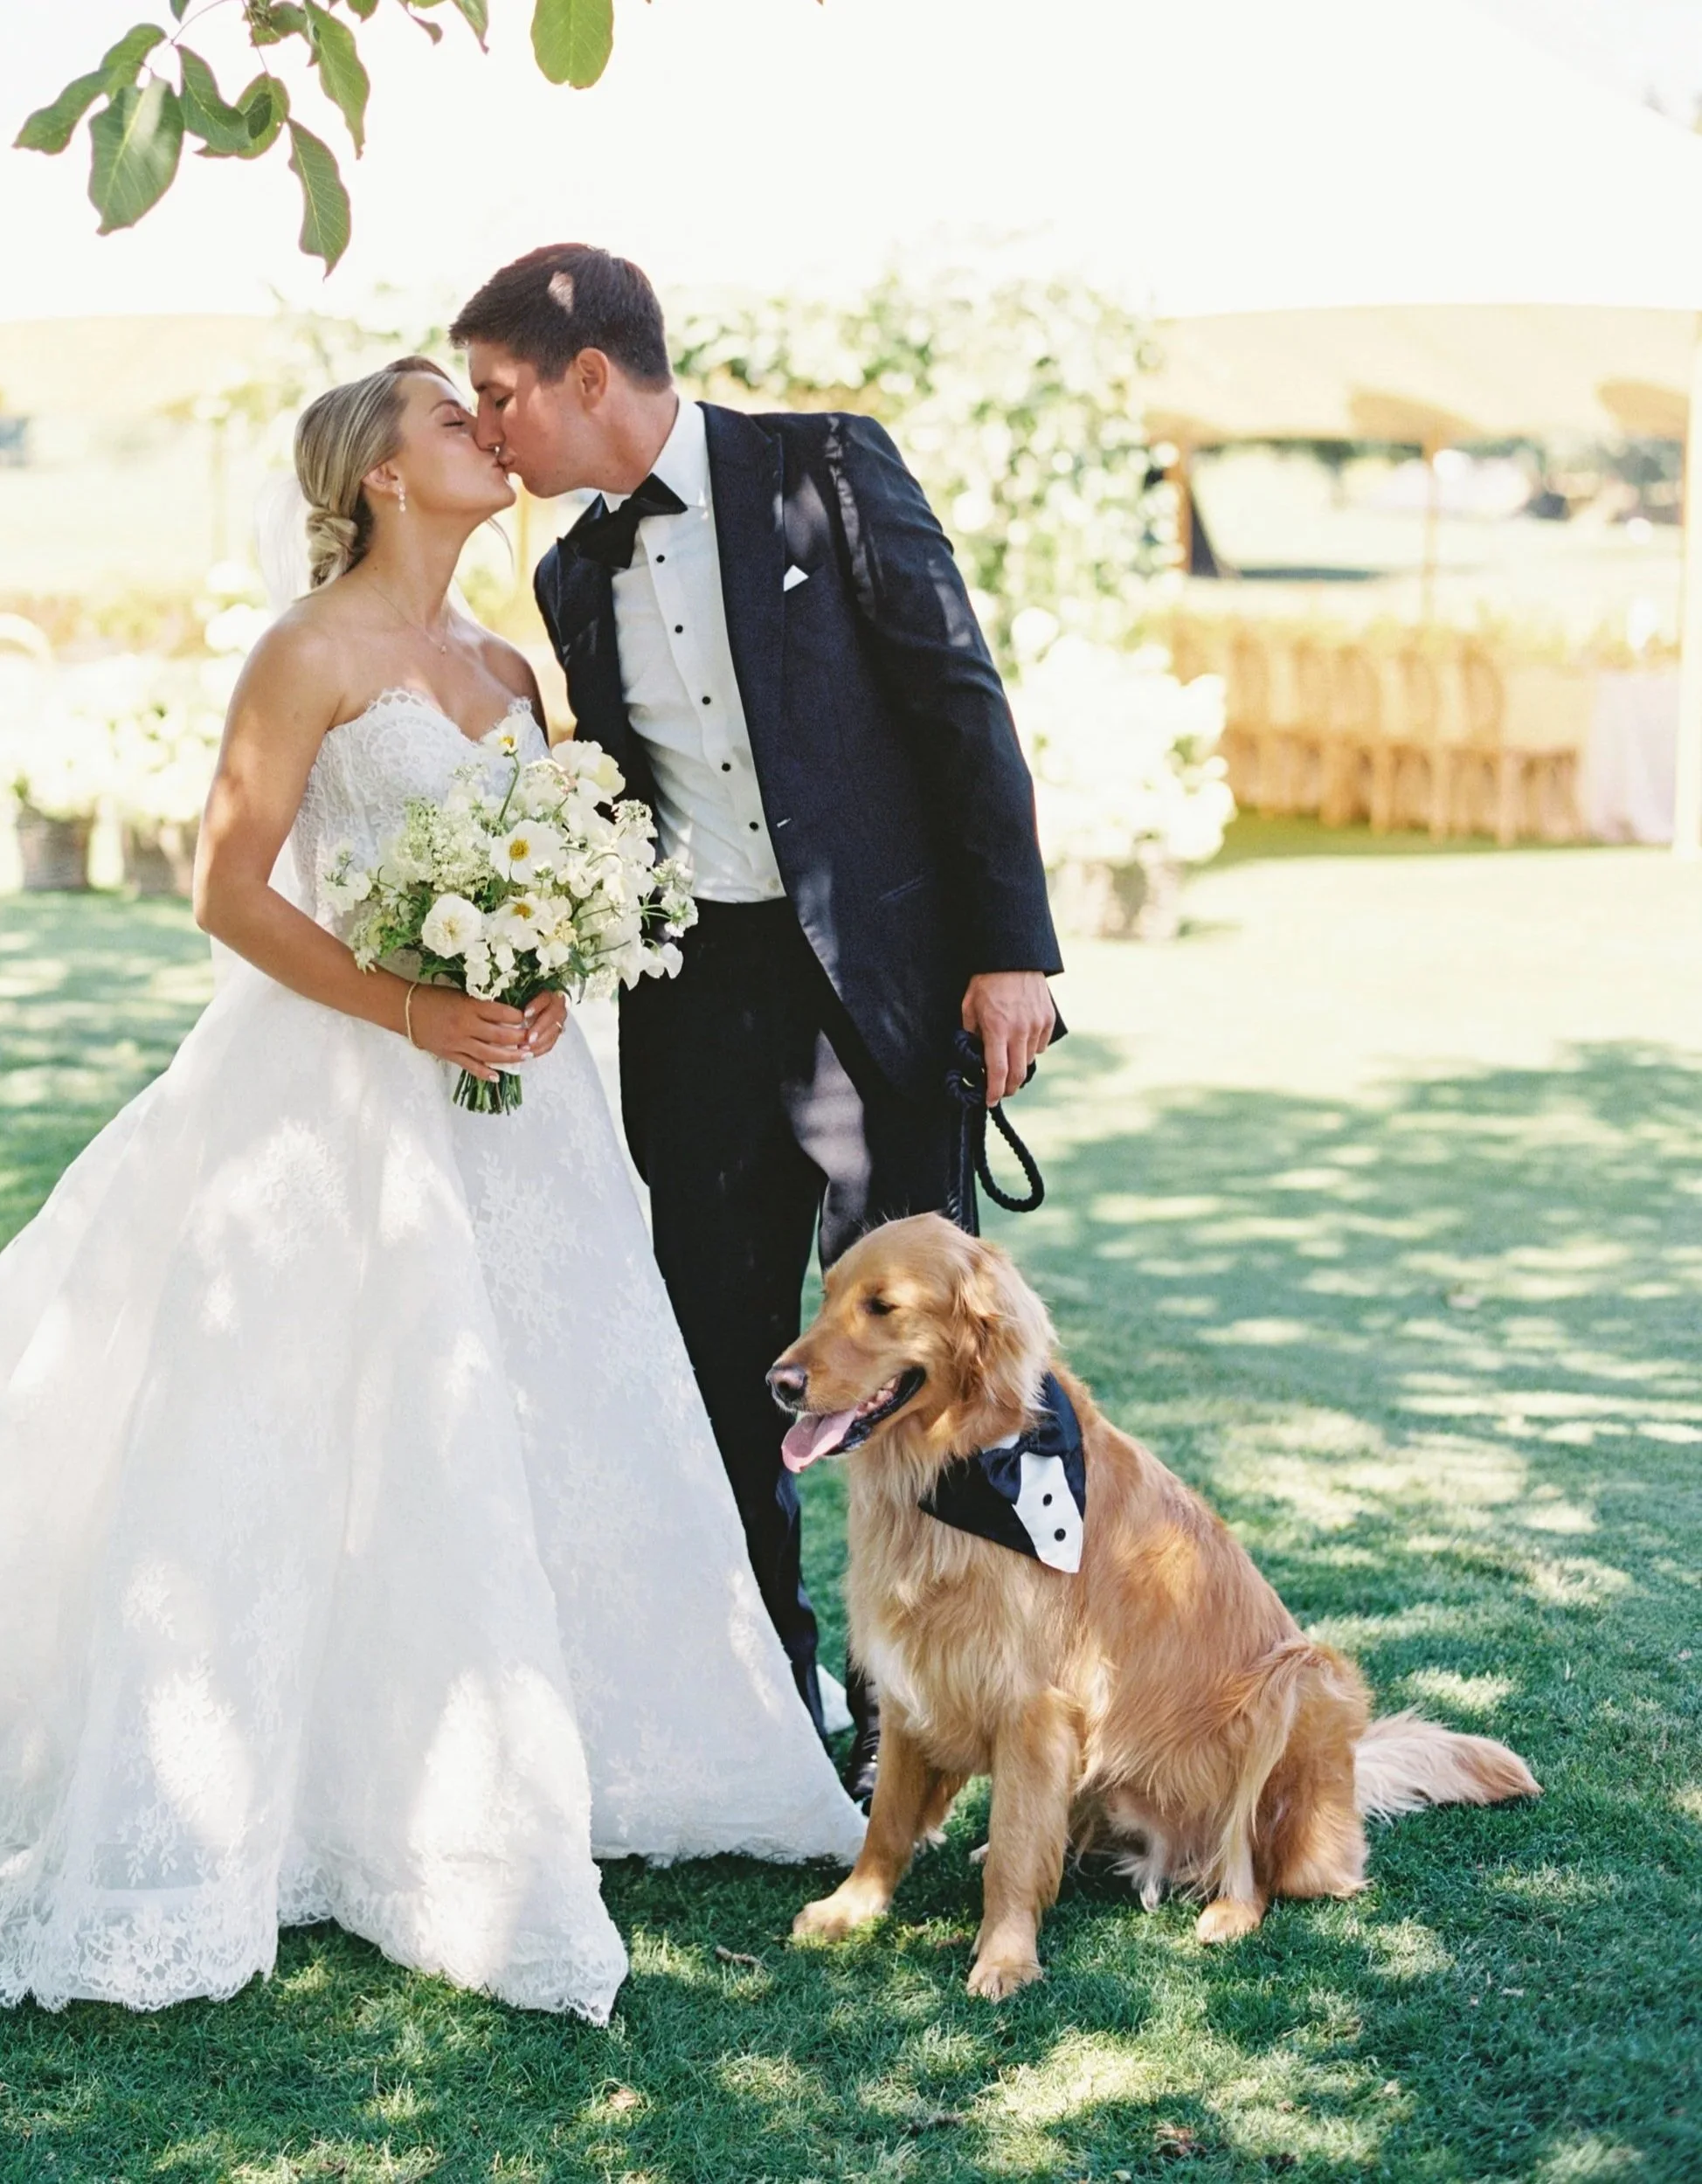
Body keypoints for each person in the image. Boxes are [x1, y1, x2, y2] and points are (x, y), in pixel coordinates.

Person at [0, 358, 863, 2029]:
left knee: (549, 1410)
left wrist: (542, 972)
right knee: (289, 1430)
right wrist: (411, 1005)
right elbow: (229, 888)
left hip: (523, 1117)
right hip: (341, 1098)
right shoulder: (305, 657)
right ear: (376, 471)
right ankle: (293, 1784)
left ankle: (579, 1742)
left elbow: (554, 865)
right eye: (453, 417)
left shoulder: (512, 661)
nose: (488, 436)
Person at [453, 247, 1062, 1801]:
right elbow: (628, 799)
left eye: (504, 393)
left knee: (922, 1366)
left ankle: (932, 1711)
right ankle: (757, 1704)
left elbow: (958, 700)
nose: (488, 426)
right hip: (697, 1014)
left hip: (881, 1000)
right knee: (726, 1363)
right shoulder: (565, 574)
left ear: (592, 375)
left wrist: (1011, 954)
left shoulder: (828, 470)